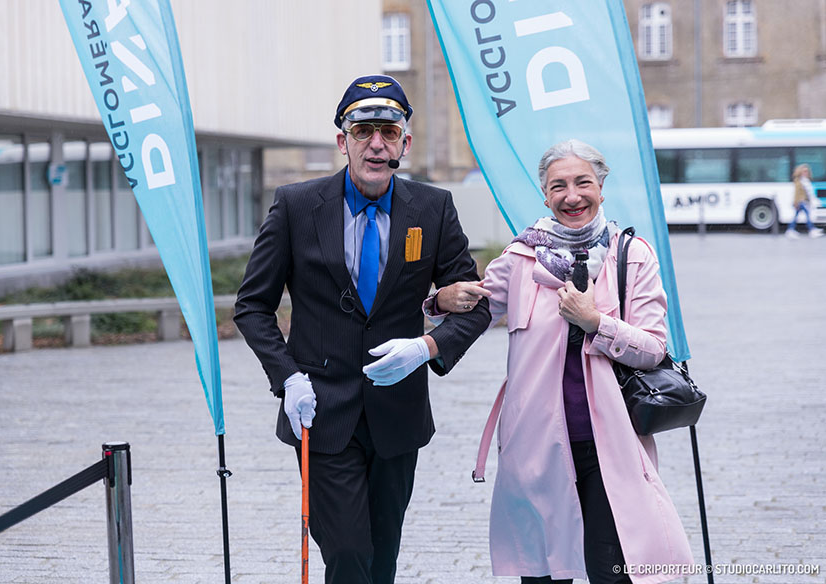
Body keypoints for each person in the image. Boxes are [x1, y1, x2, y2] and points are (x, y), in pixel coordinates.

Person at [234, 74, 490, 584]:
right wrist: (287, 378)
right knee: (349, 553)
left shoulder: (433, 209)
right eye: (363, 130)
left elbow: (475, 304)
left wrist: (428, 346)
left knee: (382, 556)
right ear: (342, 140)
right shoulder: (296, 206)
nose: (376, 143)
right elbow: (252, 306)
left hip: (397, 416)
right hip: (322, 411)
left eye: (389, 132)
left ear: (405, 142)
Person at [431, 140, 694, 583]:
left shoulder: (632, 256)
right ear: (545, 194)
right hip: (536, 445)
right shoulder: (520, 258)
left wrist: (595, 322)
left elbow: (653, 347)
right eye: (559, 186)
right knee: (543, 574)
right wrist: (438, 300)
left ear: (601, 187)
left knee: (614, 571)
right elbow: (477, 309)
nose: (572, 196)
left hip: (611, 445)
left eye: (582, 183)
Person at [786, 164, 823, 238]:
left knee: (797, 216)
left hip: (804, 201)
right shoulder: (799, 181)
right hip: (801, 202)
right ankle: (811, 230)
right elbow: (797, 193)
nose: (806, 173)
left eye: (807, 171)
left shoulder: (805, 181)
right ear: (800, 172)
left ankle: (790, 230)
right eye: (804, 171)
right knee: (807, 215)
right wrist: (796, 202)